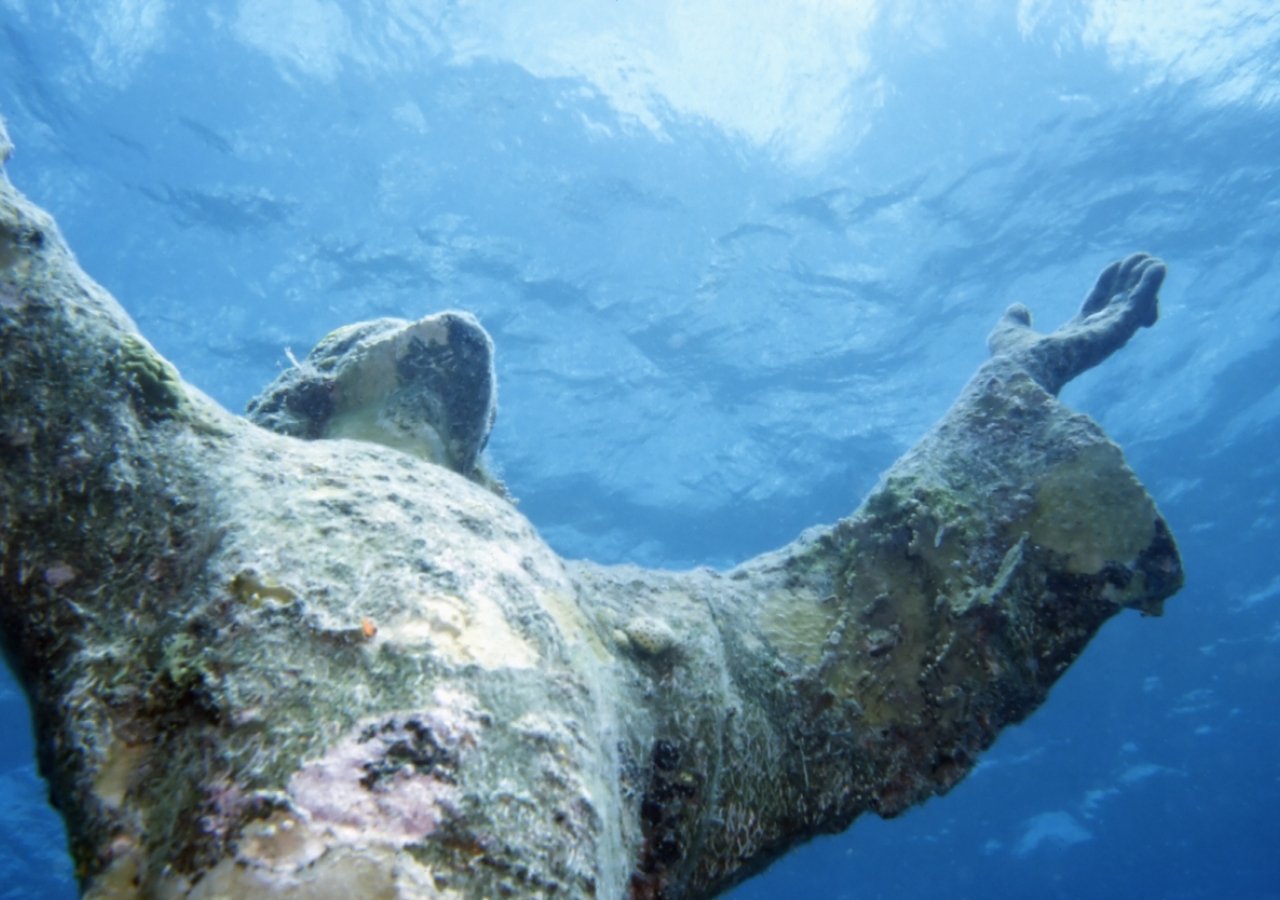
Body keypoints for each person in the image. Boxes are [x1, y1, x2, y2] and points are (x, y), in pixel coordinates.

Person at [0, 133, 1180, 898]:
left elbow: (854, 614)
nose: (429, 323)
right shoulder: (176, 469)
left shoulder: (615, 628)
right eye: (350, 332)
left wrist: (1004, 397)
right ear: (298, 393)